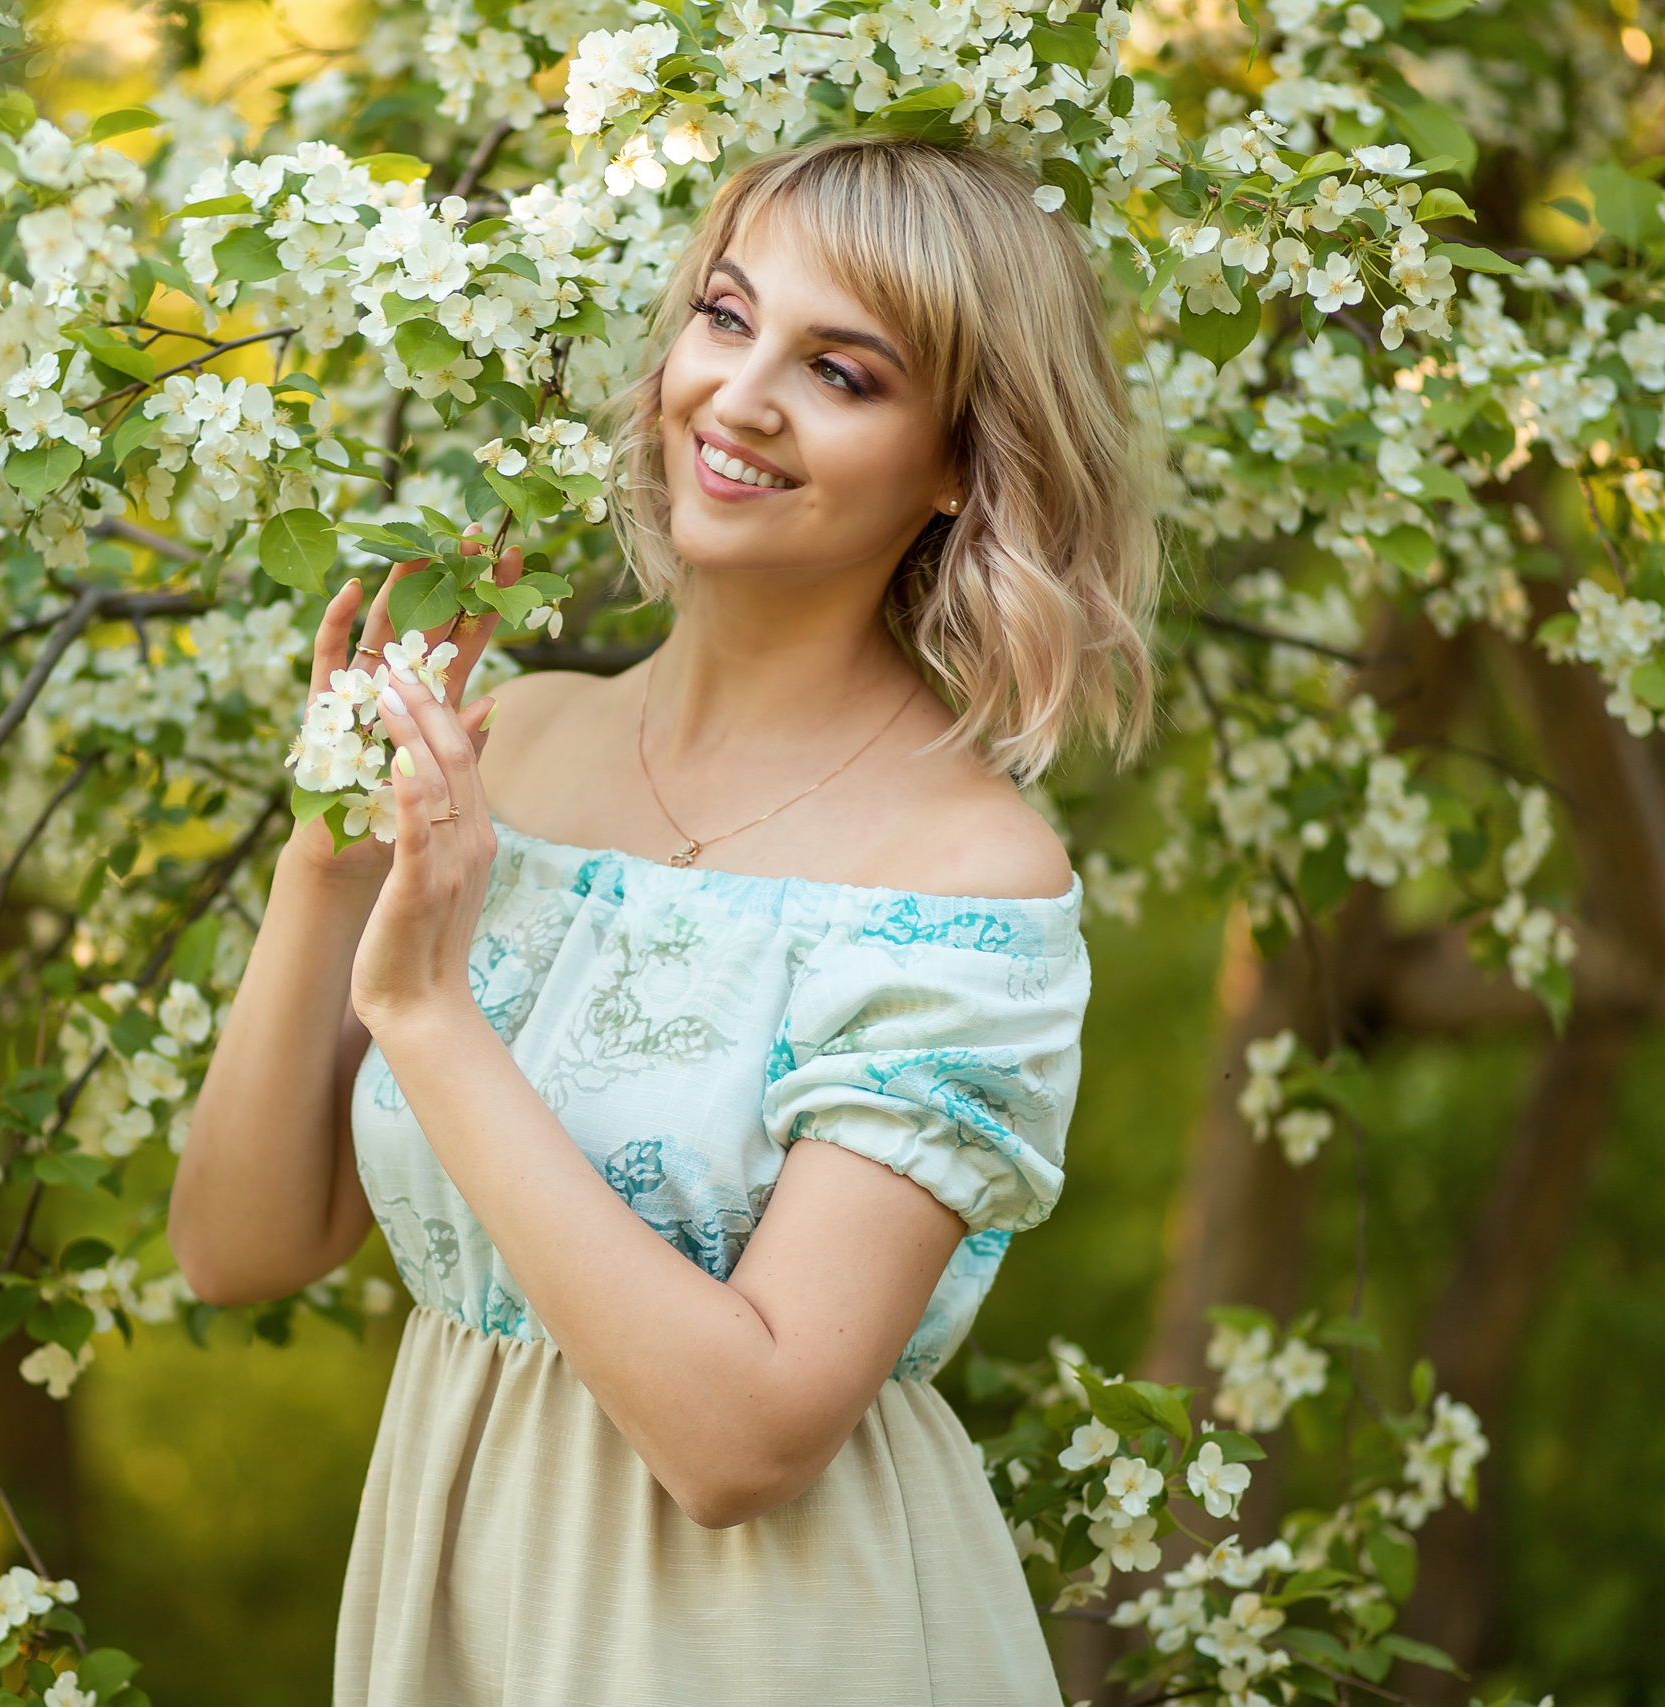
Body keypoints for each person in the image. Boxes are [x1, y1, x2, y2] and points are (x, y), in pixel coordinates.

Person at [168, 132, 1159, 1704]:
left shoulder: (965, 882)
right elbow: (236, 1246)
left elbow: (744, 1440)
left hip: (765, 1642)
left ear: (963, 458)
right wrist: (335, 863)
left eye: (841, 371)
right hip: (459, 1606)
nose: (741, 397)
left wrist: (426, 1012)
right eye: (722, 315)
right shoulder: (526, 737)